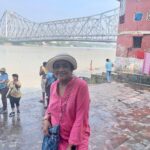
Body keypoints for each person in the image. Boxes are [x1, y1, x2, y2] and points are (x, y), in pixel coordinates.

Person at [42, 54, 90, 150]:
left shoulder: (81, 86)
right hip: (56, 137)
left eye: (65, 66)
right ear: (53, 71)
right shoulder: (53, 86)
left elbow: (81, 117)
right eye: (57, 66)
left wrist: (71, 144)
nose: (61, 69)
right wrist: (46, 119)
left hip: (77, 138)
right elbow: (50, 108)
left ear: (71, 69)